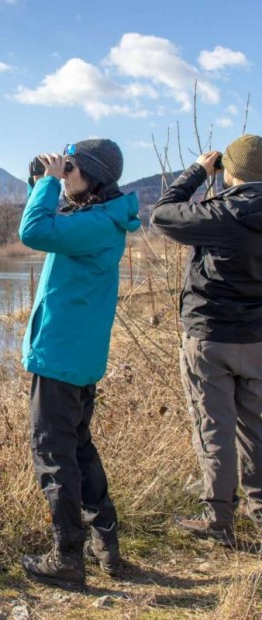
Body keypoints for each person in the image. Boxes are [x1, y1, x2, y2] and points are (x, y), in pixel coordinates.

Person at [18, 139, 140, 589]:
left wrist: (50, 183)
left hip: (61, 357)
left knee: (54, 456)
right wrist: (42, 182)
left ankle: (67, 557)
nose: (65, 174)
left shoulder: (97, 224)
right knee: (79, 449)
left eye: (72, 169)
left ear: (93, 176)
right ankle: (105, 546)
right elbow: (48, 221)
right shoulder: (99, 218)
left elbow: (33, 232)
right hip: (76, 356)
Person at [151, 134, 262, 546]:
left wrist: (198, 171)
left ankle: (219, 520)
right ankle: (260, 511)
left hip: (211, 336)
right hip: (258, 339)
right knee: (257, 429)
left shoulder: (220, 213)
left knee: (214, 426)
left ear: (229, 170)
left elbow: (162, 215)